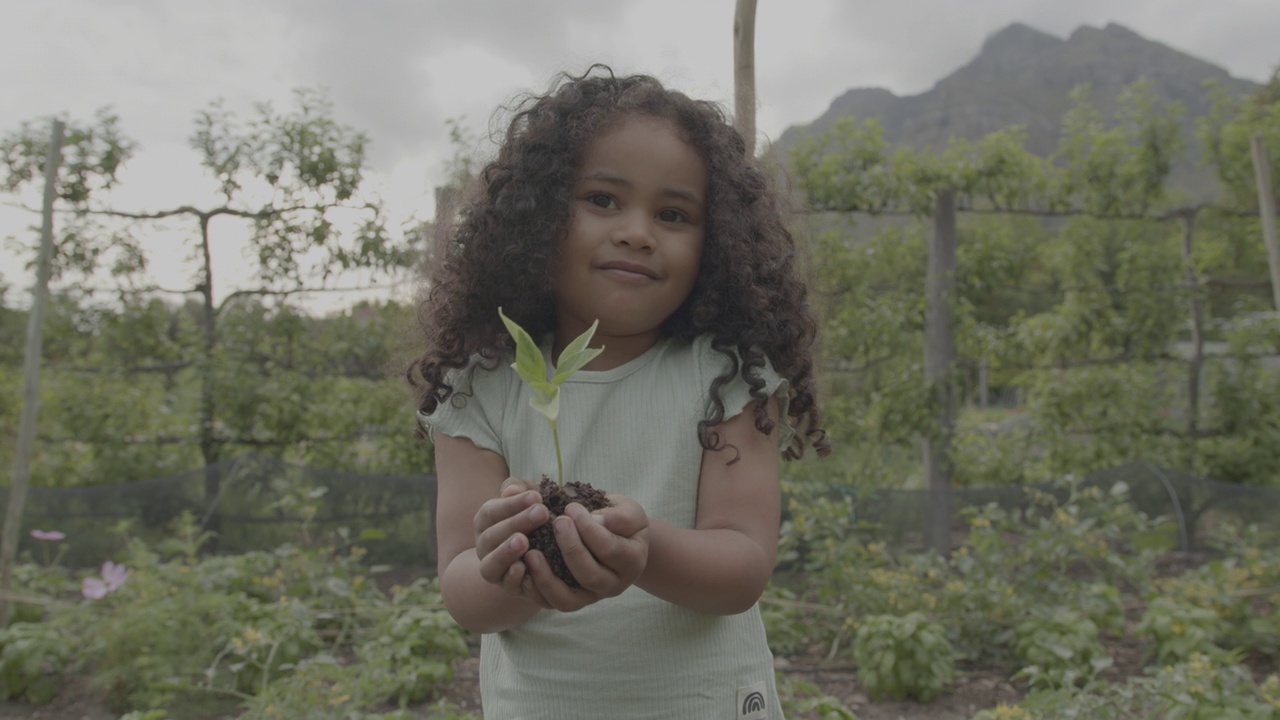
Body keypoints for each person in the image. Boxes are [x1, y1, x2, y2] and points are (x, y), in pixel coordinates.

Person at [407, 65, 830, 720]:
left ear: (714, 243)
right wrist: (516, 563)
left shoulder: (726, 378)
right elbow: (464, 590)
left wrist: (642, 550)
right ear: (539, 216)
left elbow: (743, 564)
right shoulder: (480, 388)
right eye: (603, 200)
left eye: (672, 213)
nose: (637, 230)